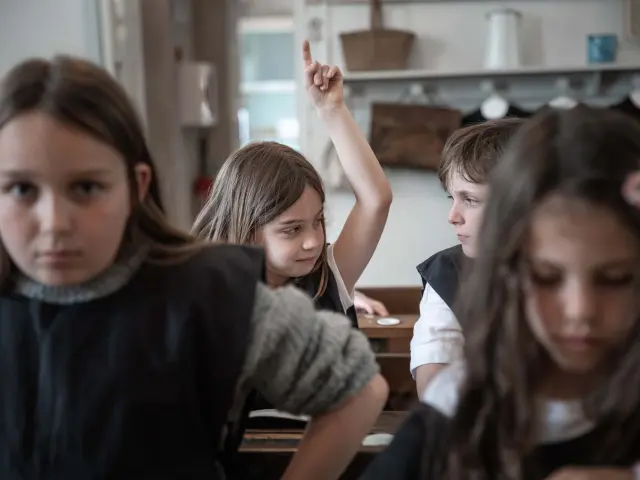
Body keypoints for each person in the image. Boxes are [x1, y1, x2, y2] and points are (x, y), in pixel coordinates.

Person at [0, 54, 389, 479]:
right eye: (20, 189)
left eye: (87, 187)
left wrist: (332, 110)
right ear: (248, 229)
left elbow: (359, 390)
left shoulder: (211, 294)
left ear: (136, 186)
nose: (55, 223)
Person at [361, 106, 640, 479]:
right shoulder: (460, 404)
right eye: (546, 277)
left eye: (615, 279)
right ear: (507, 271)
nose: (580, 310)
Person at [192, 41, 392, 327]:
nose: (313, 242)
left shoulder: (325, 282)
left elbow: (376, 200)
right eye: (292, 229)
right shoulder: (206, 300)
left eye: (318, 221)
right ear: (247, 232)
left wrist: (331, 109)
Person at [411, 118, 524, 395]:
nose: (453, 217)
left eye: (470, 200)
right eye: (452, 199)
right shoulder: (447, 273)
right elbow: (434, 387)